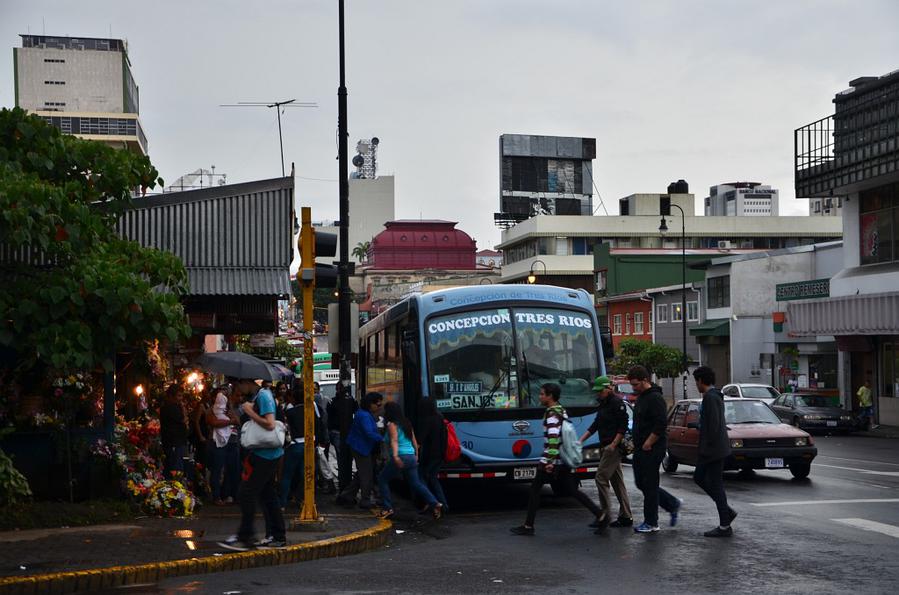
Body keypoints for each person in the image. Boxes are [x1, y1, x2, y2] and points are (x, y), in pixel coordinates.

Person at [511, 383, 602, 536]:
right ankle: (600, 514)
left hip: (552, 460)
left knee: (535, 490)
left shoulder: (552, 415)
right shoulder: (561, 410)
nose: (539, 397)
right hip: (561, 460)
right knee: (572, 490)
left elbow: (553, 439)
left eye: (542, 394)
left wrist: (549, 462)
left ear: (550, 396)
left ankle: (528, 526)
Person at [218, 378, 286, 551]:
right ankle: (276, 536)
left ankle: (246, 536)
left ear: (245, 382)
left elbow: (270, 424)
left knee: (246, 493)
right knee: (267, 496)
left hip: (267, 455)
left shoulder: (264, 396)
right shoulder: (256, 398)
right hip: (261, 453)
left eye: (237, 385)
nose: (237, 390)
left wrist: (249, 411)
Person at [629, 365, 681, 534]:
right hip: (640, 448)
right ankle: (671, 503)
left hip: (652, 448)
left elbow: (661, 424)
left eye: (636, 384)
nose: (633, 388)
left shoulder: (655, 398)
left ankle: (651, 522)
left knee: (650, 485)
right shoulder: (641, 398)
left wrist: (649, 442)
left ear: (645, 380)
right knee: (641, 483)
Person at [579, 375, 633, 532]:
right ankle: (625, 515)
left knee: (600, 478)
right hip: (605, 446)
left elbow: (623, 427)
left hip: (613, 447)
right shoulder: (603, 404)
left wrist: (614, 444)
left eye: (599, 391)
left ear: (608, 389)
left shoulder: (617, 403)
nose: (598, 394)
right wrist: (581, 440)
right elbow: (596, 424)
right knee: (617, 481)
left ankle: (604, 515)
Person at [376, 401, 443, 520]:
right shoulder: (407, 423)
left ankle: (387, 508)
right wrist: (416, 455)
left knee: (382, 479)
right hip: (411, 456)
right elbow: (414, 440)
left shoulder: (392, 425)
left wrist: (396, 456)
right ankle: (434, 503)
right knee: (416, 483)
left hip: (401, 456)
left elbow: (394, 441)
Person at [692, 366, 737, 537]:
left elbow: (714, 425)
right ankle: (727, 513)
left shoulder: (711, 398)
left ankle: (725, 525)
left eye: (696, 381)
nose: (696, 384)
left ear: (701, 381)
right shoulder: (714, 396)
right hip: (716, 448)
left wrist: (705, 446)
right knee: (699, 478)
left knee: (716, 486)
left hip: (713, 450)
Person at [338, 392, 384, 508]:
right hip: (361, 448)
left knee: (361, 475)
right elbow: (368, 433)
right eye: (378, 405)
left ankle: (346, 495)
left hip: (361, 447)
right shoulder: (364, 415)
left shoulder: (365, 414)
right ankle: (365, 500)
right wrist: (383, 439)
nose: (379, 407)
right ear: (370, 404)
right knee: (366, 475)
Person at [207, 385, 240, 505]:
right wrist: (231, 421)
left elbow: (238, 421)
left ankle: (228, 494)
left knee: (232, 469)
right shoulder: (211, 410)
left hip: (232, 442)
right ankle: (216, 496)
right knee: (217, 469)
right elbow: (214, 422)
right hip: (217, 443)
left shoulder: (229, 409)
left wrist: (231, 417)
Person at [417, 398, 449, 512]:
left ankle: (431, 502)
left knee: (421, 478)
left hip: (429, 454)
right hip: (440, 453)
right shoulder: (439, 417)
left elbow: (420, 439)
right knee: (433, 478)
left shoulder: (426, 420)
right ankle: (443, 505)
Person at [327, 383, 358, 492]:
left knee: (346, 457)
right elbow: (329, 417)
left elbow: (356, 411)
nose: (340, 390)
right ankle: (343, 482)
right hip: (337, 432)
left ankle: (345, 481)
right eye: (339, 389)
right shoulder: (332, 401)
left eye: (342, 389)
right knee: (341, 457)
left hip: (346, 431)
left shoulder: (350, 400)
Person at [159, 385, 189, 478]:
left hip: (177, 442)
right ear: (171, 396)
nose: (181, 399)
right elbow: (184, 419)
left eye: (181, 396)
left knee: (176, 467)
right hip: (174, 443)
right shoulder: (170, 408)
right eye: (179, 396)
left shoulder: (173, 406)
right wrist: (183, 409)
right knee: (175, 470)